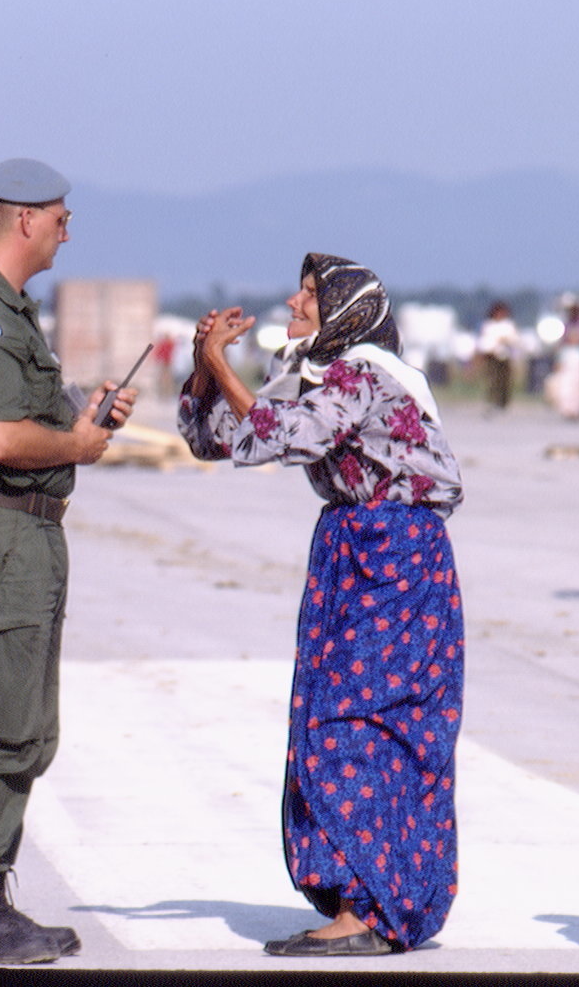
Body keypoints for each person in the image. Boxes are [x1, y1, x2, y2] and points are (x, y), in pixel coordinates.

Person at [178, 253, 465, 957]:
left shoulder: (362, 375)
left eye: (311, 295)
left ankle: (371, 907)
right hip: (352, 550)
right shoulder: (314, 373)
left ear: (345, 311)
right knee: (326, 716)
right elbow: (214, 440)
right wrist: (200, 365)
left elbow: (285, 435)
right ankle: (354, 899)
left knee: (361, 720)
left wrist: (224, 369)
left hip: (394, 557)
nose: (295, 303)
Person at [0, 158, 137, 964]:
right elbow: (1, 440)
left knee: (26, 730)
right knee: (1, 727)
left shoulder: (7, 315)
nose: (69, 228)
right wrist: (76, 442)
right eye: (62, 215)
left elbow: (20, 414)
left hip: (24, 535)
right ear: (25, 221)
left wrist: (81, 409)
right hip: (2, 537)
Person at [475, 300, 520, 412]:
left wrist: (505, 340)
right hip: (491, 355)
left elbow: (514, 339)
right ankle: (491, 401)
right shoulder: (488, 325)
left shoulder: (508, 325)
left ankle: (502, 402)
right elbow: (484, 341)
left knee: (504, 380)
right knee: (492, 380)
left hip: (504, 356)